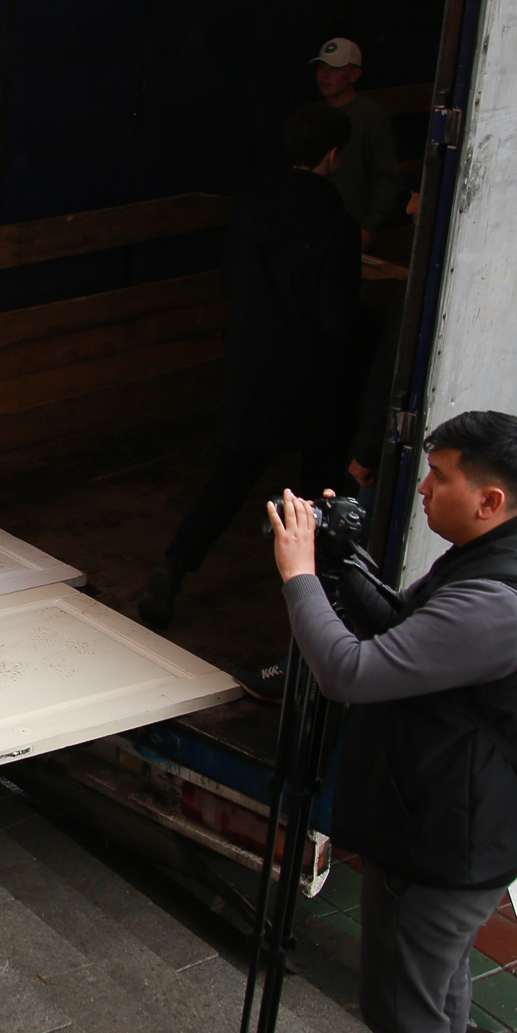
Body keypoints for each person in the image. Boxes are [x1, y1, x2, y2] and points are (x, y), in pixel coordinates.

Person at [270, 411, 517, 1033]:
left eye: (440, 477)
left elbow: (349, 670)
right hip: (453, 821)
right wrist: (342, 563)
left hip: (447, 841)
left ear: (489, 498)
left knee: (403, 1002)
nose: (424, 488)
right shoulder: (506, 553)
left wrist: (298, 574)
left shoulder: (496, 605)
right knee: (437, 986)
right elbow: (408, 630)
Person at [140, 105, 361, 632]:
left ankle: (172, 569)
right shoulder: (336, 221)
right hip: (313, 375)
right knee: (319, 493)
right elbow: (338, 317)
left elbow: (231, 280)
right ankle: (319, 610)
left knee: (232, 476)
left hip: (256, 364)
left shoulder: (251, 206)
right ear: (334, 156)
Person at [313, 37, 400, 244]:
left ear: (354, 75)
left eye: (334, 68)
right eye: (321, 67)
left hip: (350, 229)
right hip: (313, 228)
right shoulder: (312, 115)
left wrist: (369, 228)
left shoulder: (370, 116)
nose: (325, 75)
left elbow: (389, 177)